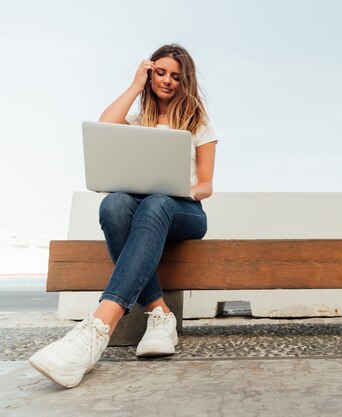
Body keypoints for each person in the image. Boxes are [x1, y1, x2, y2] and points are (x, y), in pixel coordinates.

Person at [29, 44, 218, 388]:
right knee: (114, 204)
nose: (167, 81)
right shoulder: (135, 120)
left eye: (176, 76)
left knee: (158, 201)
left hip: (184, 211)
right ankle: (160, 315)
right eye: (159, 72)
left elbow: (206, 184)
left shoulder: (198, 123)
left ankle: (97, 328)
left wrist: (187, 188)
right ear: (149, 73)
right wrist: (134, 86)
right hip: (143, 210)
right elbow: (104, 127)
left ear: (185, 81)